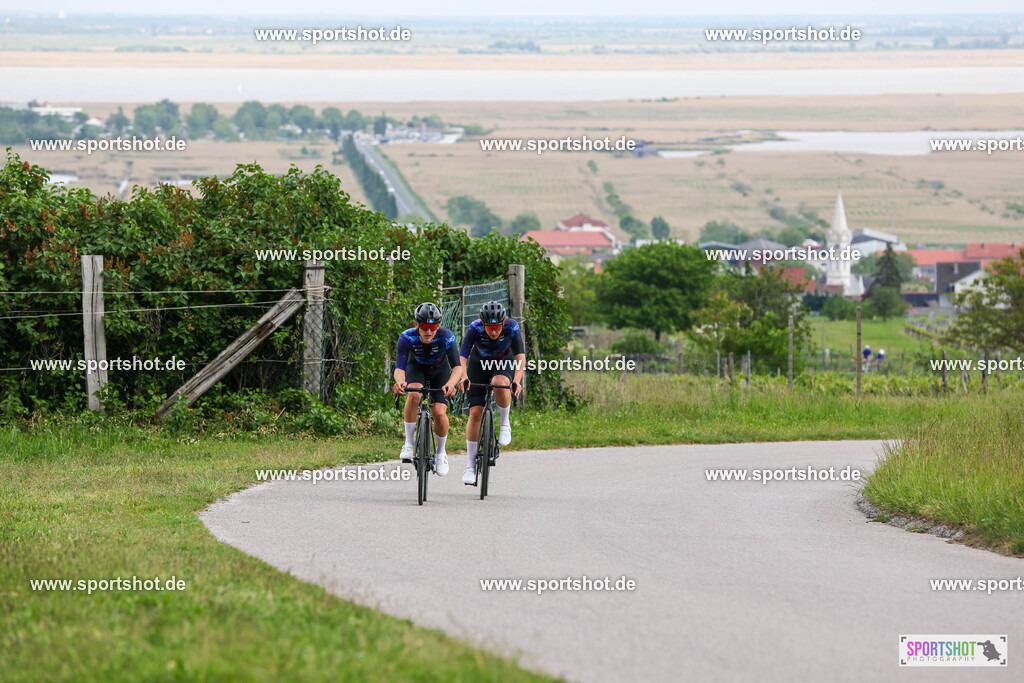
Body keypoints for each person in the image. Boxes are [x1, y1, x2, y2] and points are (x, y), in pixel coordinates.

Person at [458, 301, 525, 485]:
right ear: (483, 323)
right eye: (490, 328)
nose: (494, 332)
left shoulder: (511, 326)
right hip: (478, 364)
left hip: (504, 363)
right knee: (475, 413)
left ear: (503, 323)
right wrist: (463, 377)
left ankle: (505, 422)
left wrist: (516, 380)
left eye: (497, 327)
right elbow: (462, 356)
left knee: (499, 383)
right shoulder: (475, 328)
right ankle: (470, 466)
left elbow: (520, 357)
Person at [393, 302, 461, 476]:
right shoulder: (407, 337)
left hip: (440, 372)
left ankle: (441, 453)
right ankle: (408, 443)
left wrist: (451, 384)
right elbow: (400, 368)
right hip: (417, 369)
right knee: (414, 394)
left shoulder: (447, 337)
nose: (429, 331)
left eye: (433, 327)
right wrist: (400, 382)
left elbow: (457, 368)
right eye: (425, 327)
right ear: (417, 325)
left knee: (439, 412)